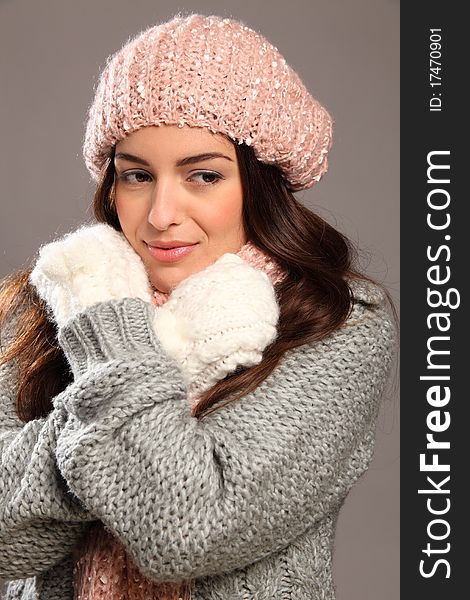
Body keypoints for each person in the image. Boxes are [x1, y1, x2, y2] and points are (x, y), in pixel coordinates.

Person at [0, 12, 398, 600]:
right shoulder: (44, 305)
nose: (161, 214)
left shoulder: (336, 322)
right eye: (137, 176)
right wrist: (122, 440)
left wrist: (107, 333)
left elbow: (186, 528)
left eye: (203, 176)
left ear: (259, 183)